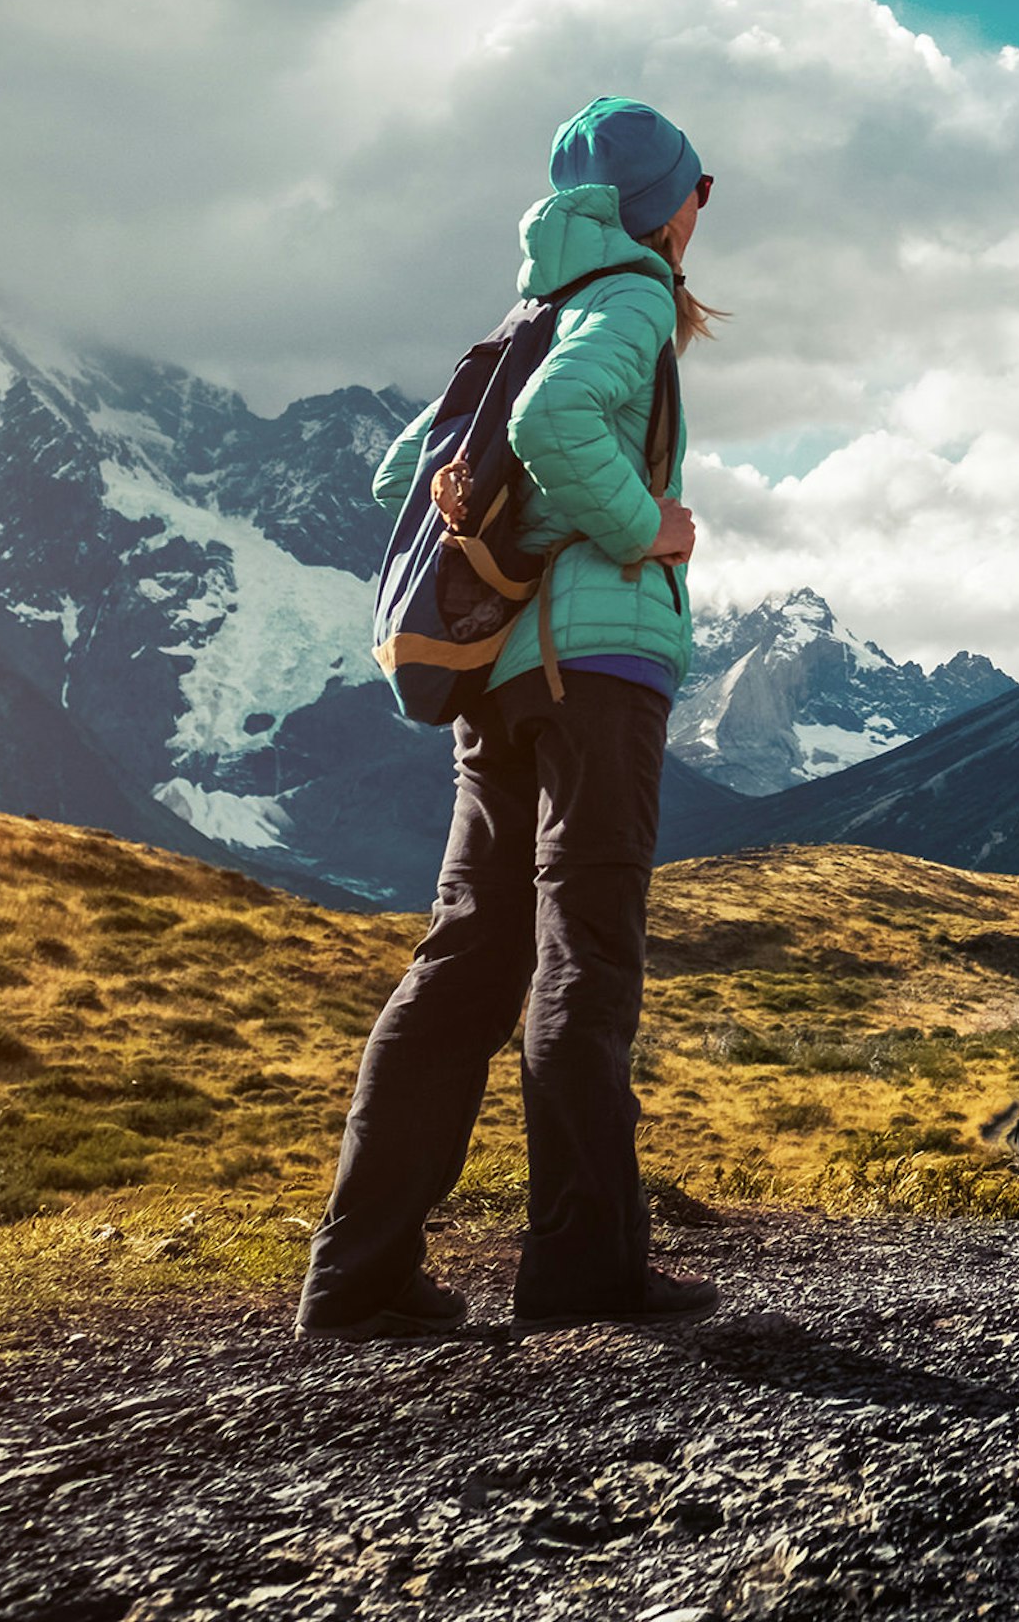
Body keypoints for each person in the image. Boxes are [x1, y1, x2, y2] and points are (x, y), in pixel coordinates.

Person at [296, 97, 719, 1340]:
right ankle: (583, 1263)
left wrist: (513, 512)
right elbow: (547, 426)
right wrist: (645, 527)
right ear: (662, 203)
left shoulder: (523, 314)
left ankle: (357, 1272)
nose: (704, 211)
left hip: (499, 678)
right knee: (585, 941)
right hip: (598, 667)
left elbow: (405, 474)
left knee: (471, 951)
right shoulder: (632, 296)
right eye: (703, 188)